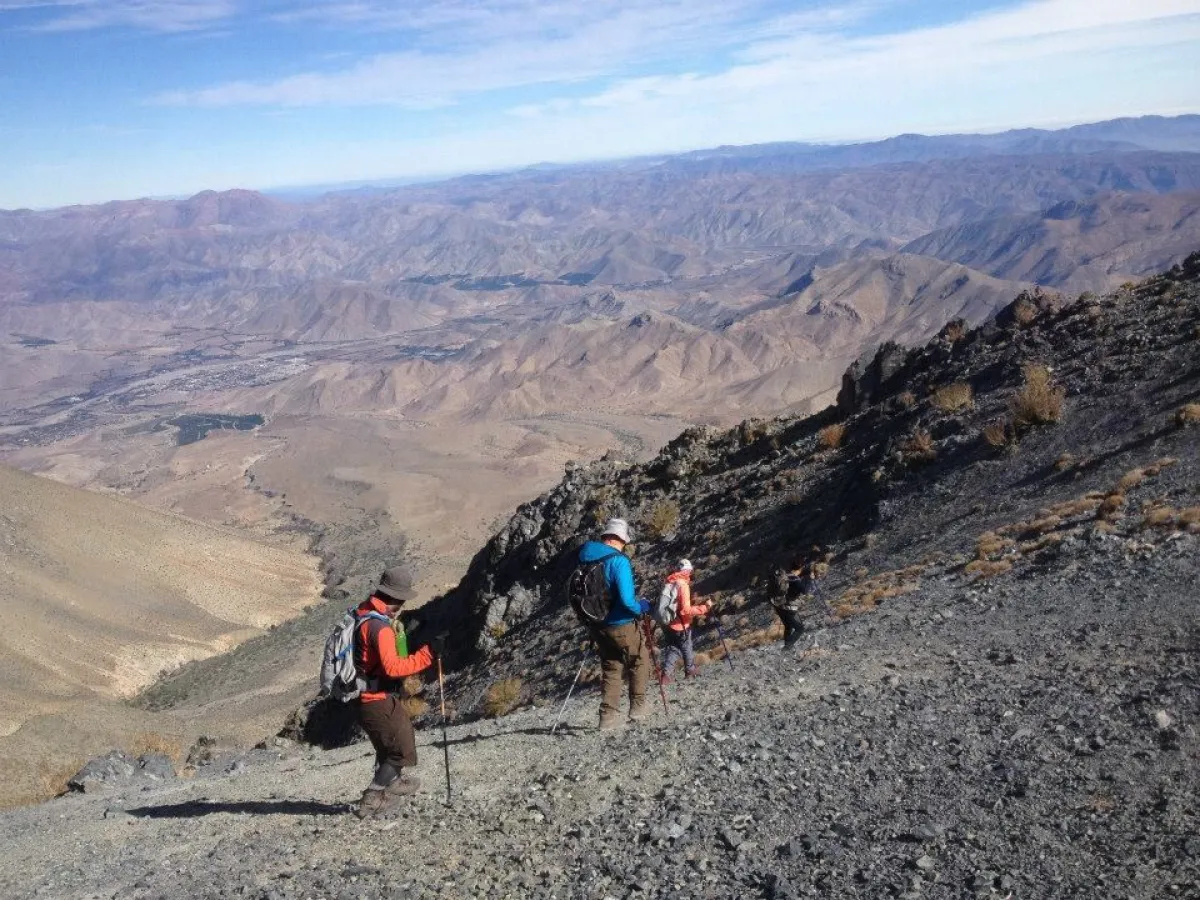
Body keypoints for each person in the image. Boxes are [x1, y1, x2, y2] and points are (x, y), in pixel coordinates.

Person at [352, 566, 435, 819]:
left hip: (366, 697)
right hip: (375, 699)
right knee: (400, 750)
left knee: (391, 744)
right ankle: (373, 798)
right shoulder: (380, 628)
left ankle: (394, 781)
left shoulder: (364, 611)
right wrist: (428, 654)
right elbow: (394, 668)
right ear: (397, 598)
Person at [577, 518, 652, 729]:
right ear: (619, 538)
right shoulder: (618, 561)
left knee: (611, 667)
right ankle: (638, 708)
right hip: (622, 623)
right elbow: (627, 601)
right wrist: (642, 608)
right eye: (624, 542)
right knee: (639, 659)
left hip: (597, 625)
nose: (624, 546)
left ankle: (607, 717)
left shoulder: (585, 558)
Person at [658, 559, 710, 683]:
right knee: (687, 646)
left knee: (674, 648)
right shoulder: (683, 585)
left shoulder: (670, 581)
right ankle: (690, 670)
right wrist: (705, 608)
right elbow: (686, 610)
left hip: (668, 622)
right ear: (687, 571)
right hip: (681, 624)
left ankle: (666, 675)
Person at [771, 556, 824, 650]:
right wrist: (812, 579)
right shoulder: (796, 581)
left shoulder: (785, 576)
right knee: (800, 628)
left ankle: (787, 647)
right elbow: (805, 591)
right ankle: (787, 648)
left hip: (777, 605)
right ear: (800, 568)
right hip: (788, 607)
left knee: (788, 626)